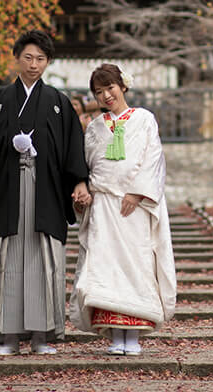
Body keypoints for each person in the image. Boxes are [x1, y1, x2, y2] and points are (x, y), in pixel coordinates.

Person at [0, 29, 92, 355]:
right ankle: (8, 337)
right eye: (28, 57)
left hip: (46, 190)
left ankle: (41, 336)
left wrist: (79, 181)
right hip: (8, 189)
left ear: (48, 62)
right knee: (9, 260)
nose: (34, 64)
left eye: (40, 59)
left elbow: (72, 150)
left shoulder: (59, 104)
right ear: (17, 58)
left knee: (42, 261)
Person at [70, 63, 176, 356]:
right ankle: (116, 334)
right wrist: (86, 193)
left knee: (136, 263)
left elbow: (153, 157)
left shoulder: (144, 119)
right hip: (104, 204)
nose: (106, 95)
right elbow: (88, 164)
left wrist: (137, 192)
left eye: (110, 88)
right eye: (99, 91)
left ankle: (135, 335)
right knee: (106, 266)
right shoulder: (94, 127)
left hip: (134, 206)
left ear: (123, 86)